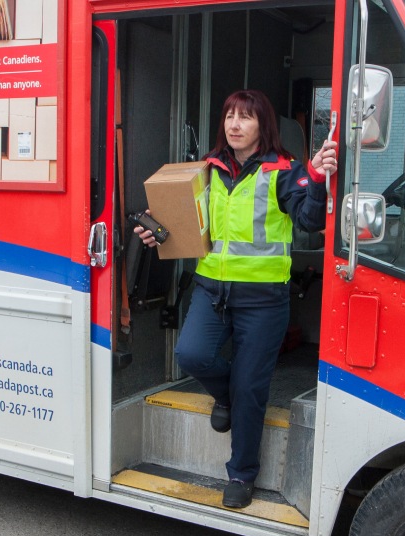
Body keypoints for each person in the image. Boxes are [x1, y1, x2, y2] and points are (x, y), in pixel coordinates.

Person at [136, 90, 338, 508]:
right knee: (192, 356)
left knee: (252, 388)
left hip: (263, 300)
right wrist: (155, 231)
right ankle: (225, 394)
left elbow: (310, 220)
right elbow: (181, 224)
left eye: (245, 117)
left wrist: (317, 181)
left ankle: (242, 474)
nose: (234, 124)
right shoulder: (206, 171)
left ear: (263, 125)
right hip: (211, 289)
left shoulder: (284, 171)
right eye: (229, 116)